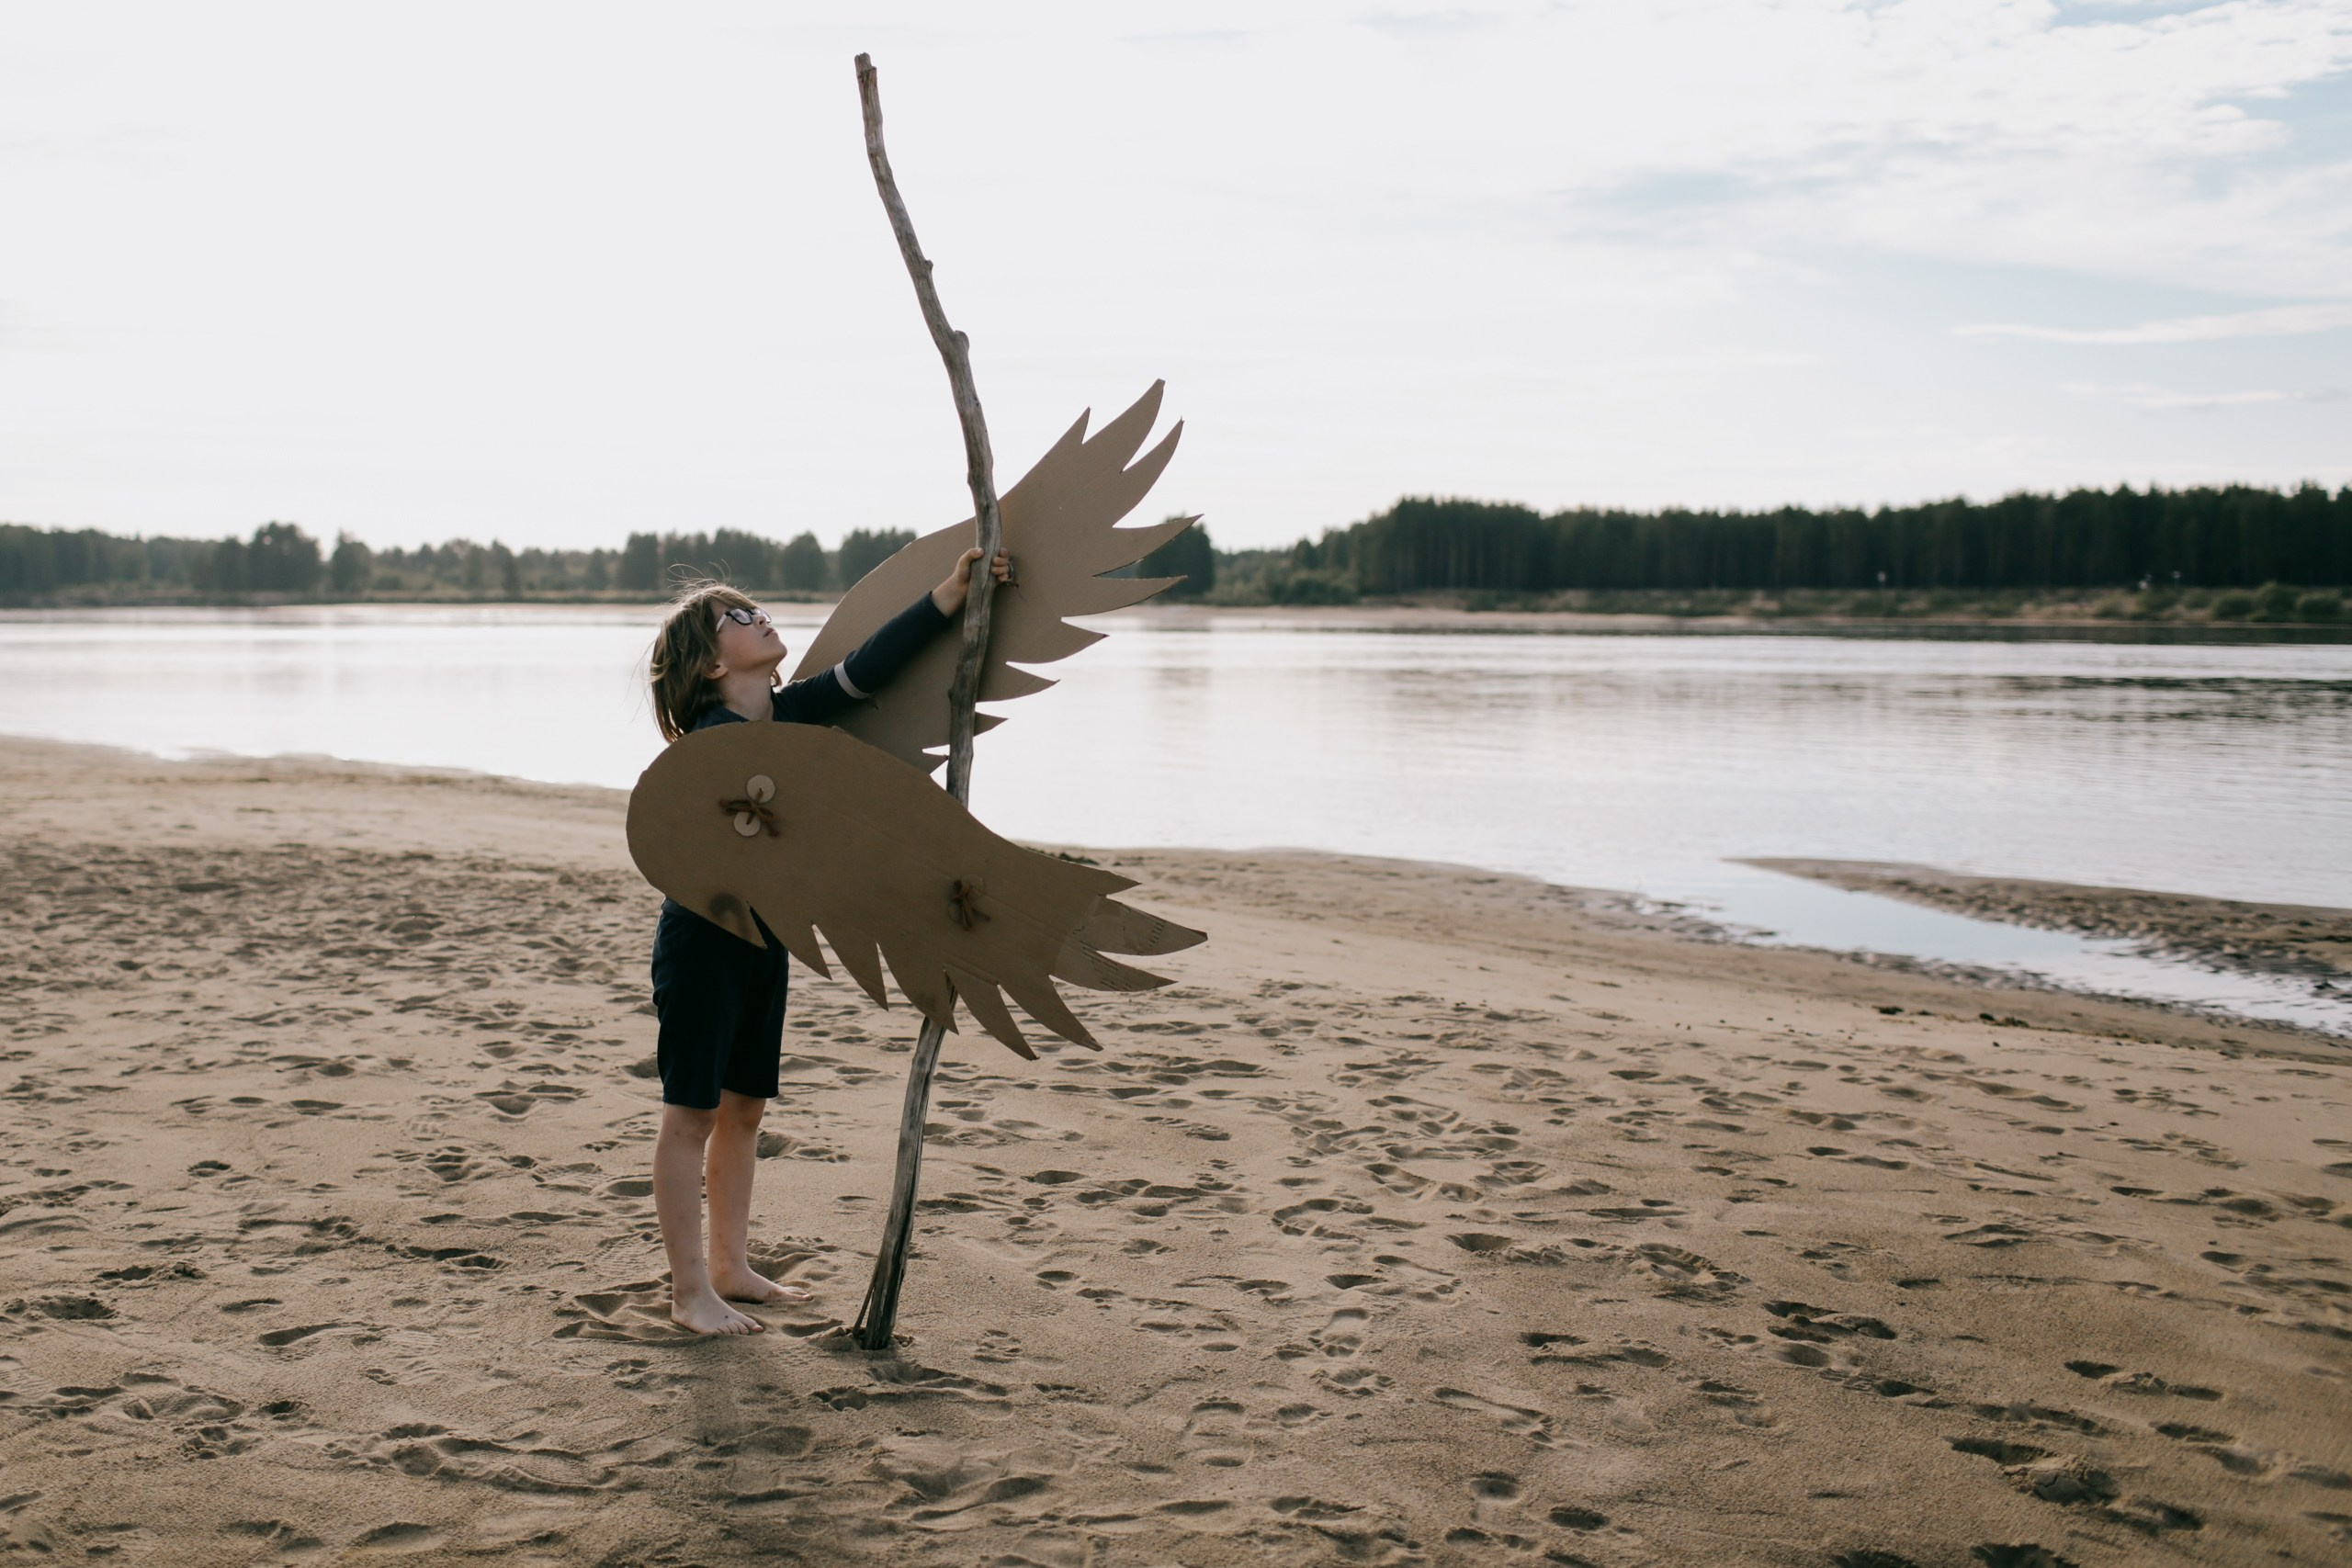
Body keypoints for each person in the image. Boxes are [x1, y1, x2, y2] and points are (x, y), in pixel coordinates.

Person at [642, 545, 1010, 1335]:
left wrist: (949, 594)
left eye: (753, 606)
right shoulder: (709, 742)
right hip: (703, 944)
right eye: (737, 616)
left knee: (745, 1109)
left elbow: (865, 672)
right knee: (691, 1114)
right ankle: (687, 1292)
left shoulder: (790, 717)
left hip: (765, 941)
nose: (758, 615)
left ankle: (730, 1265)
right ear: (709, 663)